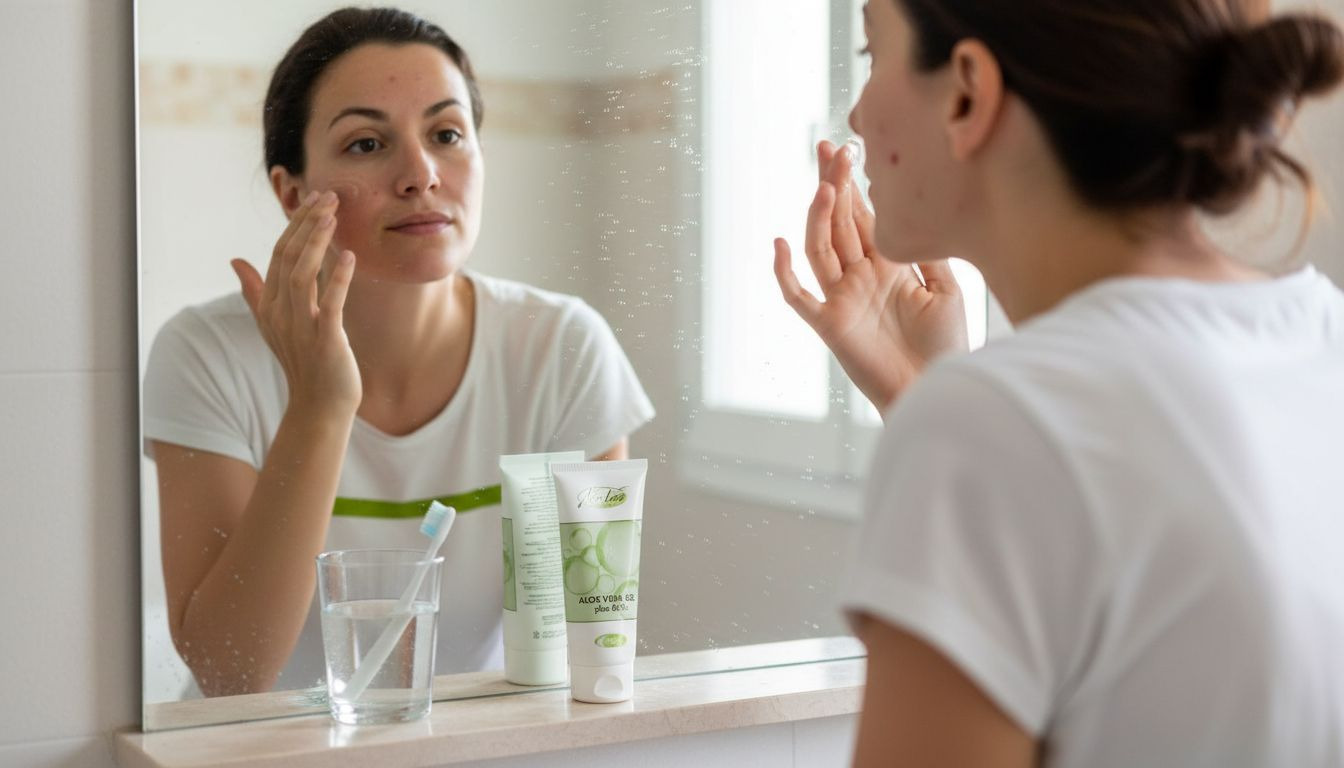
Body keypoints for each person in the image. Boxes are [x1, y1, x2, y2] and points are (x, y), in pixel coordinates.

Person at [774, 1, 1344, 765]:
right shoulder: (1323, 336)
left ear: (968, 91)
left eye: (872, 52)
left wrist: (948, 411)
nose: (856, 110)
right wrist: (923, 392)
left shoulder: (989, 427)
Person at [143, 7, 654, 697]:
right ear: (292, 193)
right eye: (365, 144)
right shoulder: (207, 355)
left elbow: (592, 657)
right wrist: (322, 406)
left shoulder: (560, 347)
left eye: (447, 134)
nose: (420, 174)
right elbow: (230, 673)